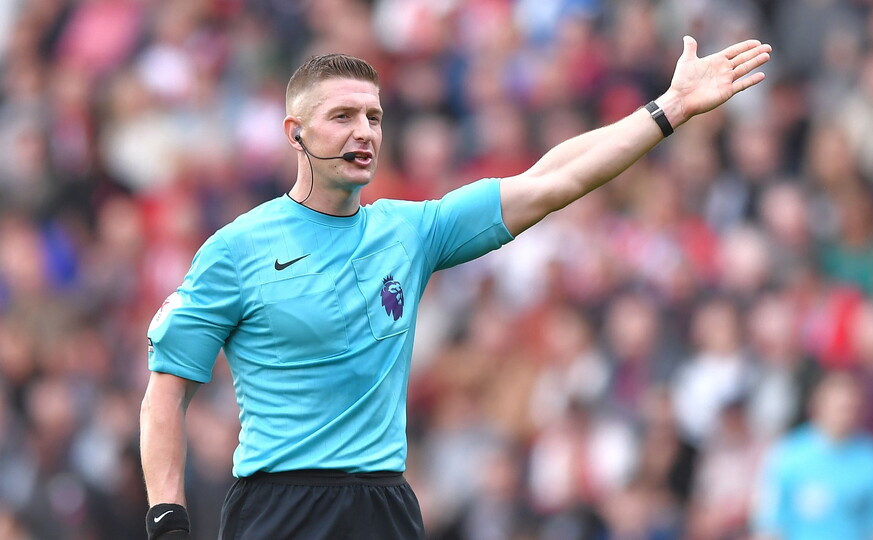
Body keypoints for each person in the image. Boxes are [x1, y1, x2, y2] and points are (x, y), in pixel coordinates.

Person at [140, 36, 771, 540]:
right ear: (294, 132)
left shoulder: (410, 230)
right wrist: (168, 520)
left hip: (381, 502)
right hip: (278, 507)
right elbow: (167, 392)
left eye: (374, 117)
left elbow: (552, 181)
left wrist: (668, 110)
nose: (364, 131)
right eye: (342, 116)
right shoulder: (235, 250)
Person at [753, 371, 873, 540]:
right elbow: (769, 524)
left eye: (851, 408)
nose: (845, 415)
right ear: (818, 405)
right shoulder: (788, 455)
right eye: (839, 407)